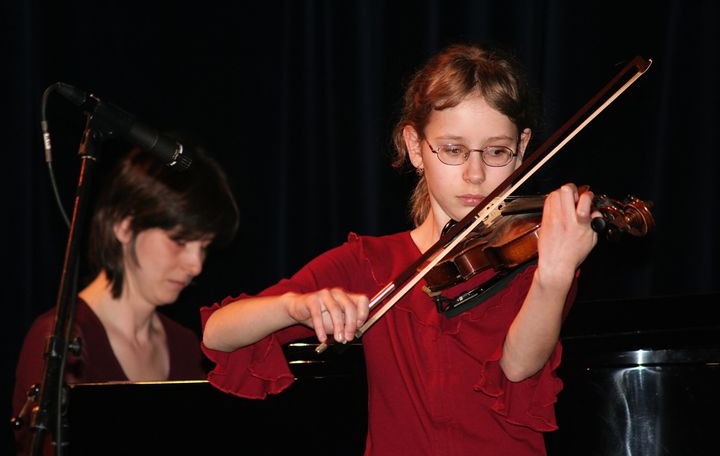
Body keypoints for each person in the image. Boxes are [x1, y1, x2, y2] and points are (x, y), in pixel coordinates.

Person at [201, 43, 599, 455]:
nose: (476, 173)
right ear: (414, 147)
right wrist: (295, 307)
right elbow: (218, 333)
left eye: (497, 151)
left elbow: (518, 367)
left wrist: (555, 275)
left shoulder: (540, 255)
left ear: (522, 149)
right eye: (453, 150)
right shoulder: (371, 264)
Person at [12, 145, 239, 454]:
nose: (196, 265)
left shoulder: (186, 346)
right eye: (180, 241)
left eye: (205, 246)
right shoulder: (58, 340)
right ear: (124, 225)